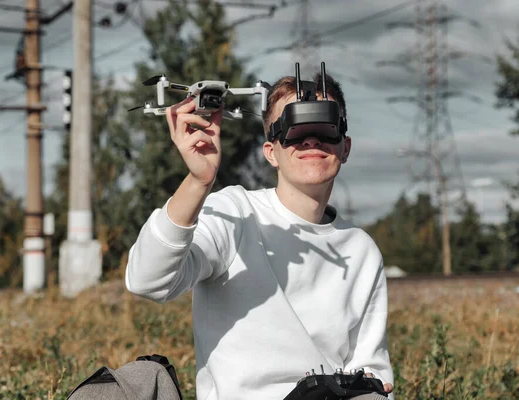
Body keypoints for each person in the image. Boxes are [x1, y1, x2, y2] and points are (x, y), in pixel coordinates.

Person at [125, 70, 395, 400]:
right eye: (294, 132)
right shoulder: (233, 213)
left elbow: (374, 374)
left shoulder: (360, 251)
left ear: (345, 146)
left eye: (324, 129)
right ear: (271, 151)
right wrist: (198, 182)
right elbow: (147, 281)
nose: (311, 141)